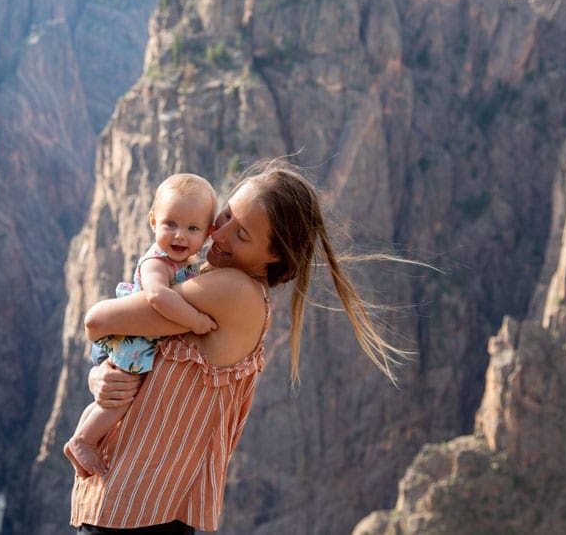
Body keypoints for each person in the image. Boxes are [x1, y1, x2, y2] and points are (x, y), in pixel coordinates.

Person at [70, 159, 412, 534]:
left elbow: (97, 321)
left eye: (242, 234)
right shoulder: (232, 288)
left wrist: (102, 359)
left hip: (133, 508)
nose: (219, 235)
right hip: (143, 502)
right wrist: (101, 373)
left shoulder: (229, 291)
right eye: (227, 215)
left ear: (275, 255)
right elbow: (138, 350)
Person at [65, 173, 219, 478]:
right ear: (153, 222)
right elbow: (158, 297)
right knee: (122, 395)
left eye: (192, 228)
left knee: (111, 395)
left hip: (139, 338)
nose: (180, 236)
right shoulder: (156, 262)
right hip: (133, 340)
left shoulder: (186, 263)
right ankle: (82, 440)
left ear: (208, 233)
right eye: (170, 224)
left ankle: (84, 431)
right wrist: (196, 320)